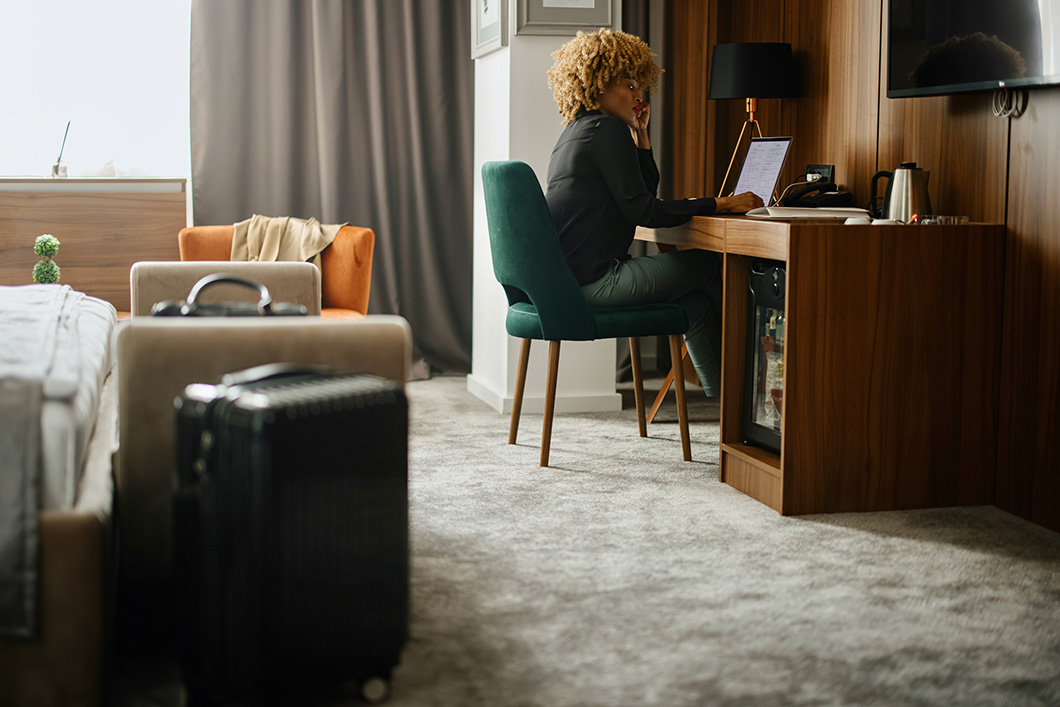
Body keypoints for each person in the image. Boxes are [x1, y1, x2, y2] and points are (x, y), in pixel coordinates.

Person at [545, 28, 762, 396]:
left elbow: (642, 195)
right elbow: (646, 210)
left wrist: (641, 138)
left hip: (572, 282)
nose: (638, 95)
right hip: (598, 282)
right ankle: (746, 394)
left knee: (693, 304)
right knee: (710, 267)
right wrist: (723, 203)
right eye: (629, 86)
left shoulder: (578, 131)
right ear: (600, 85)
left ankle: (726, 398)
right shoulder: (605, 130)